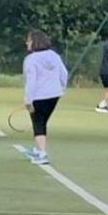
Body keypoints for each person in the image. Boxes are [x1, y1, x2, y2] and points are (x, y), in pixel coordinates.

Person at [20, 29, 67, 166]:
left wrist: (28, 100)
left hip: (39, 96)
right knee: (42, 122)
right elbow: (64, 73)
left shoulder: (31, 59)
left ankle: (41, 153)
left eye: (29, 40)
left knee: (38, 124)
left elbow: (30, 80)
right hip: (54, 95)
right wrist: (61, 88)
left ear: (34, 42)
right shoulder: (54, 55)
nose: (27, 43)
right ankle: (38, 149)